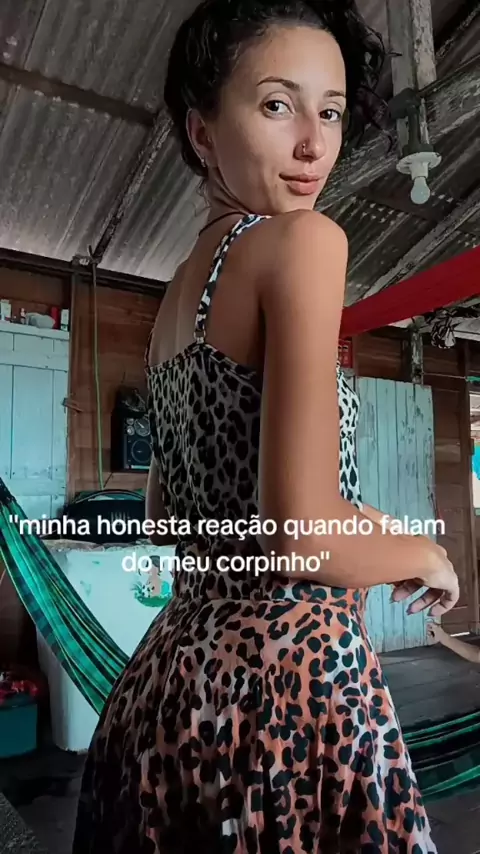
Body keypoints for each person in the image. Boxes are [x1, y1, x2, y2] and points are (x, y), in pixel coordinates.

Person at [72, 2, 460, 851]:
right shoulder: (302, 243)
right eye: (278, 105)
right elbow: (300, 536)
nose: (315, 145)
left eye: (331, 111)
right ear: (202, 131)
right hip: (288, 694)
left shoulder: (175, 299)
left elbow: (171, 517)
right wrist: (425, 554)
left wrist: (369, 528)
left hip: (168, 689)